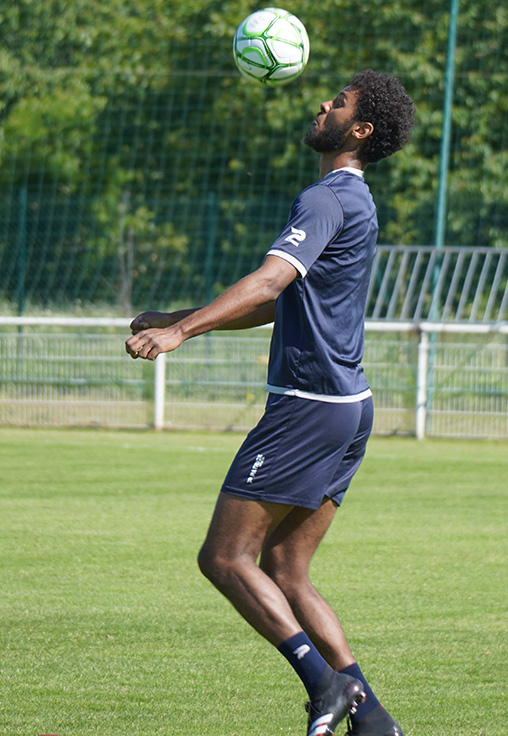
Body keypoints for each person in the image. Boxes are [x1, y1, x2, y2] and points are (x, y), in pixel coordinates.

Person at [125, 69, 415, 736]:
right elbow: (280, 301)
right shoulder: (359, 202)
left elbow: (267, 282)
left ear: (360, 130)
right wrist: (186, 313)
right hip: (350, 407)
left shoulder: (325, 198)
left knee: (225, 559)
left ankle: (327, 686)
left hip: (307, 408)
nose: (324, 104)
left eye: (339, 103)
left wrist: (178, 333)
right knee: (287, 569)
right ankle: (377, 725)